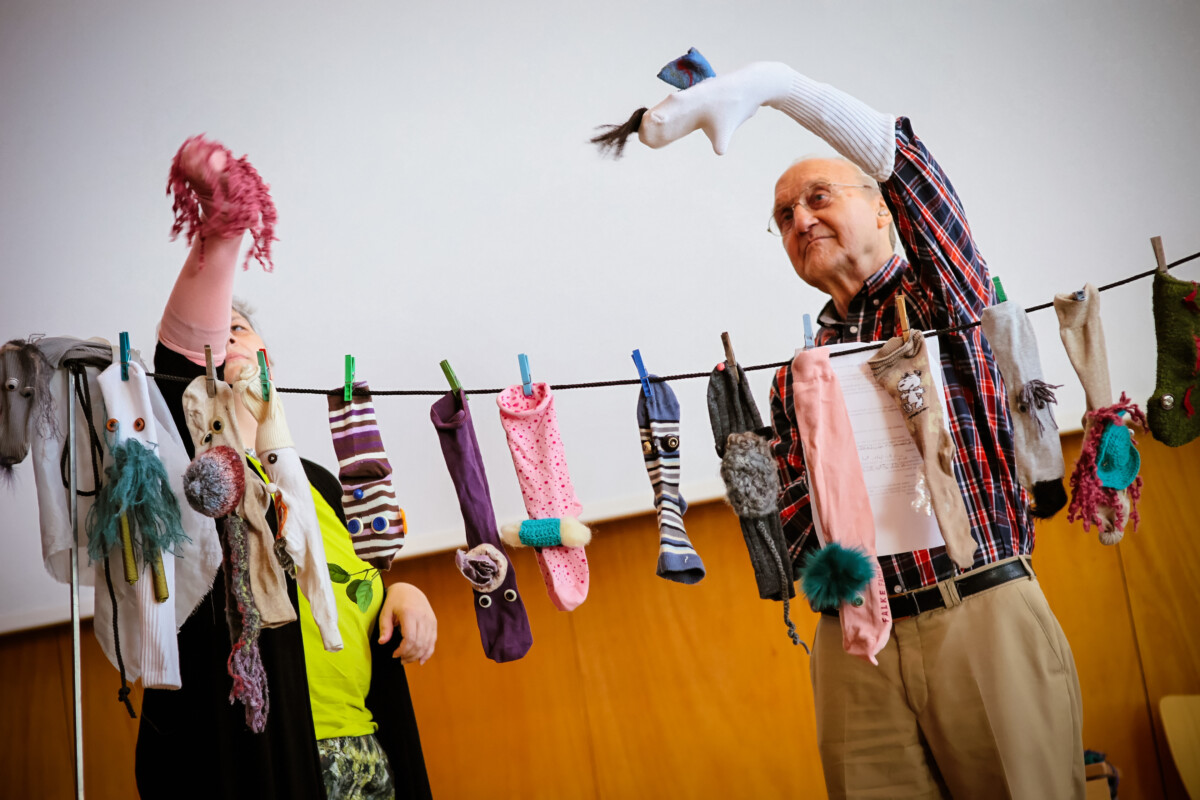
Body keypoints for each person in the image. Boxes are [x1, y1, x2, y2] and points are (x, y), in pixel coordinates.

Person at [635, 62, 1085, 799]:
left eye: (818, 198)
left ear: (882, 213)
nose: (800, 220)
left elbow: (914, 176)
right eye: (783, 216)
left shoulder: (943, 300)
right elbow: (796, 517)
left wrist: (776, 86)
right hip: (854, 646)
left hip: (976, 611)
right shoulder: (796, 377)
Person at [136, 136, 436, 800]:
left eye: (244, 329)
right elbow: (184, 359)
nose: (230, 336)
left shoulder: (318, 483)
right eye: (222, 330)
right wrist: (222, 230)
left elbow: (348, 589)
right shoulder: (191, 468)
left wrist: (403, 593)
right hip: (261, 762)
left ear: (269, 360)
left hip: (364, 756)